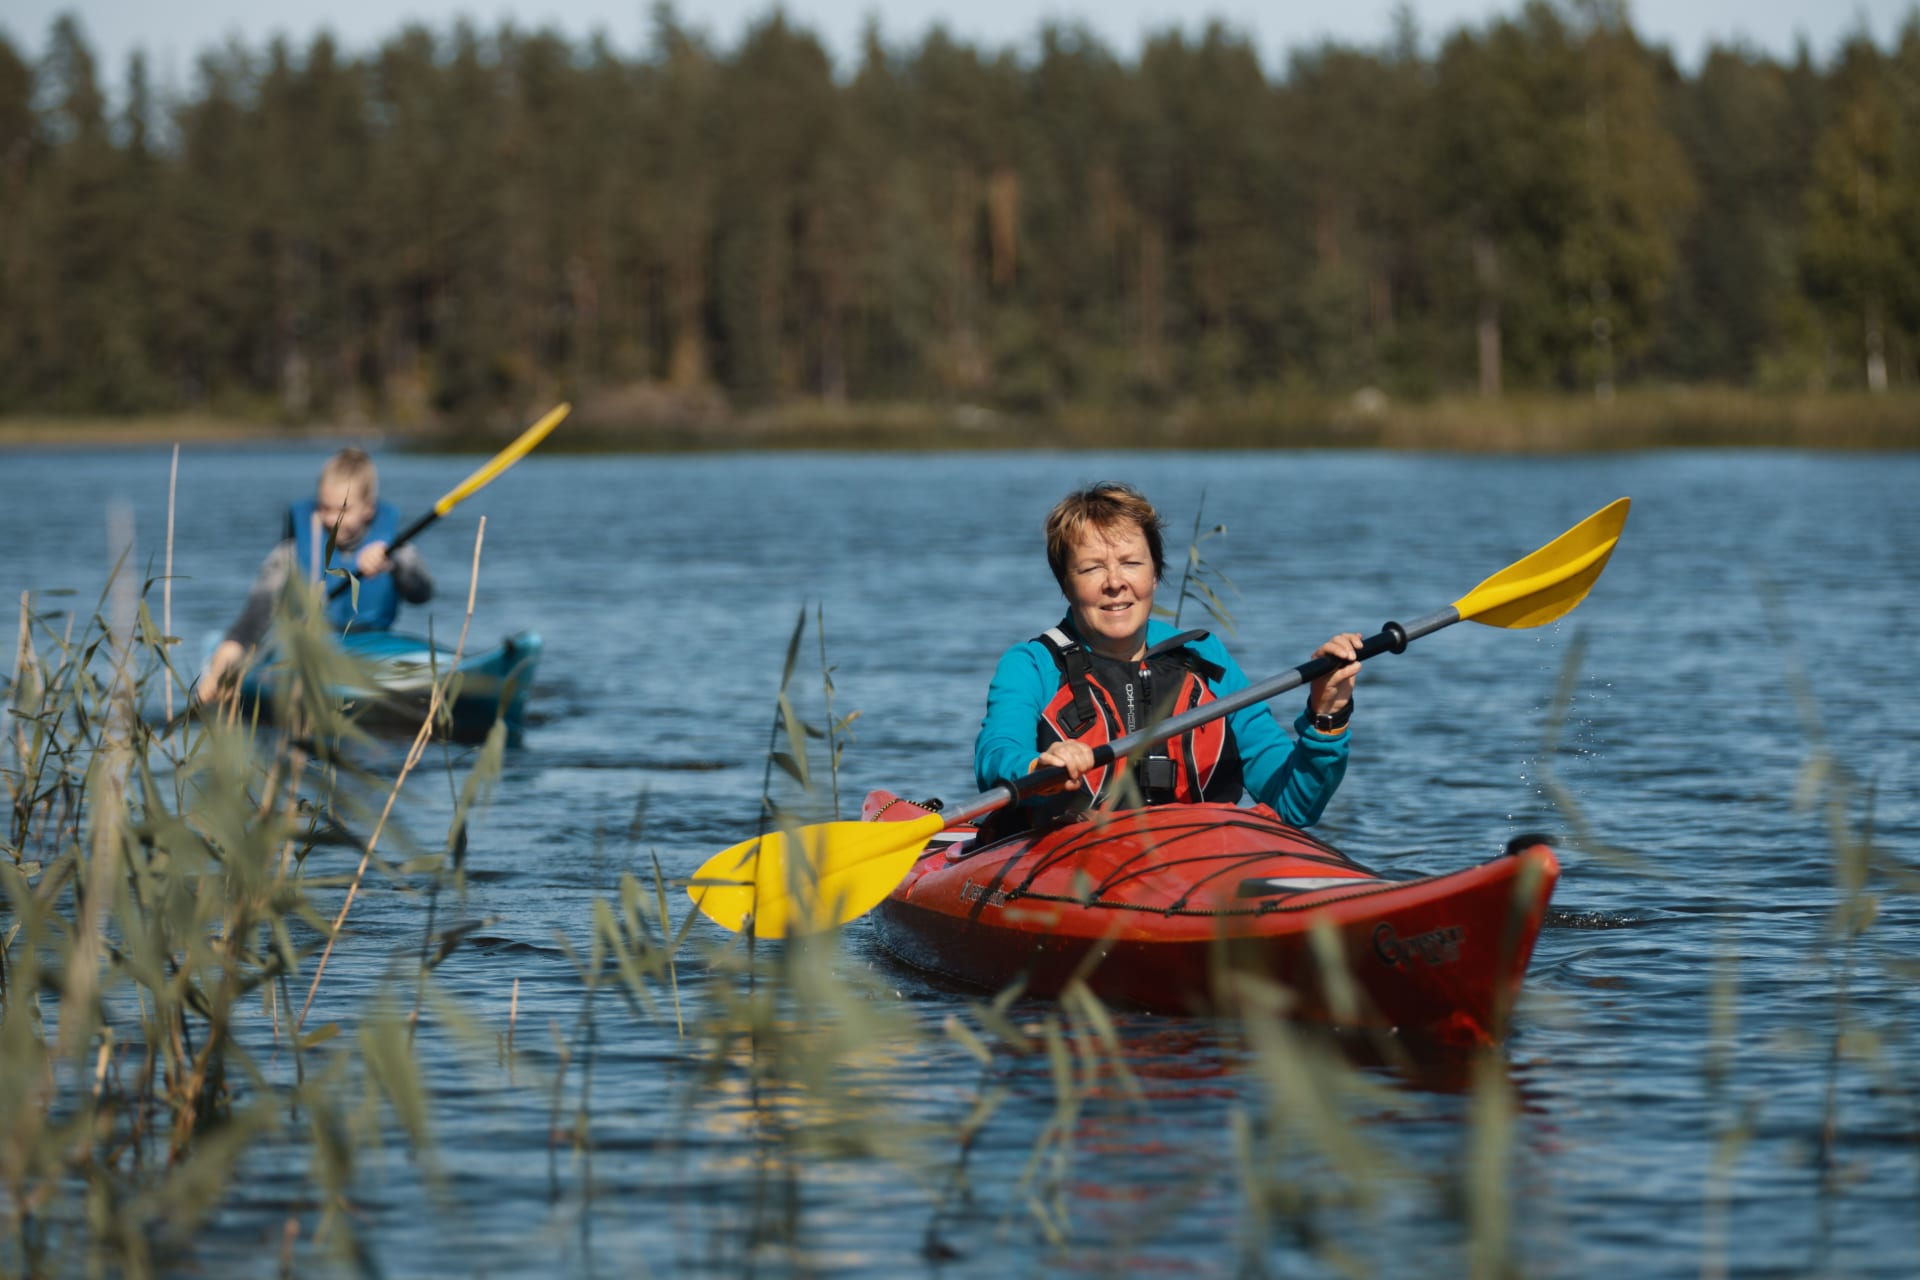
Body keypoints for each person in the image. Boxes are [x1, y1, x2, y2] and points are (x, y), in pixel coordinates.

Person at [974, 482, 1359, 828]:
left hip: (1196, 862)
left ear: (1155, 574)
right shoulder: (1031, 665)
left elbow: (1292, 808)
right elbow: (996, 754)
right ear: (1065, 584)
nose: (1115, 583)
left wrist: (1327, 717)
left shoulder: (1204, 657)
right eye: (1091, 568)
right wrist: (1037, 766)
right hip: (1064, 858)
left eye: (1131, 563)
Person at [198, 448, 433, 700]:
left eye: (342, 510)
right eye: (324, 508)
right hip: (307, 649)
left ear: (368, 509)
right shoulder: (290, 553)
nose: (331, 519)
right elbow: (254, 619)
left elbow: (422, 593)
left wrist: (394, 564)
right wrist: (219, 672)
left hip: (374, 646)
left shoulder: (395, 550)